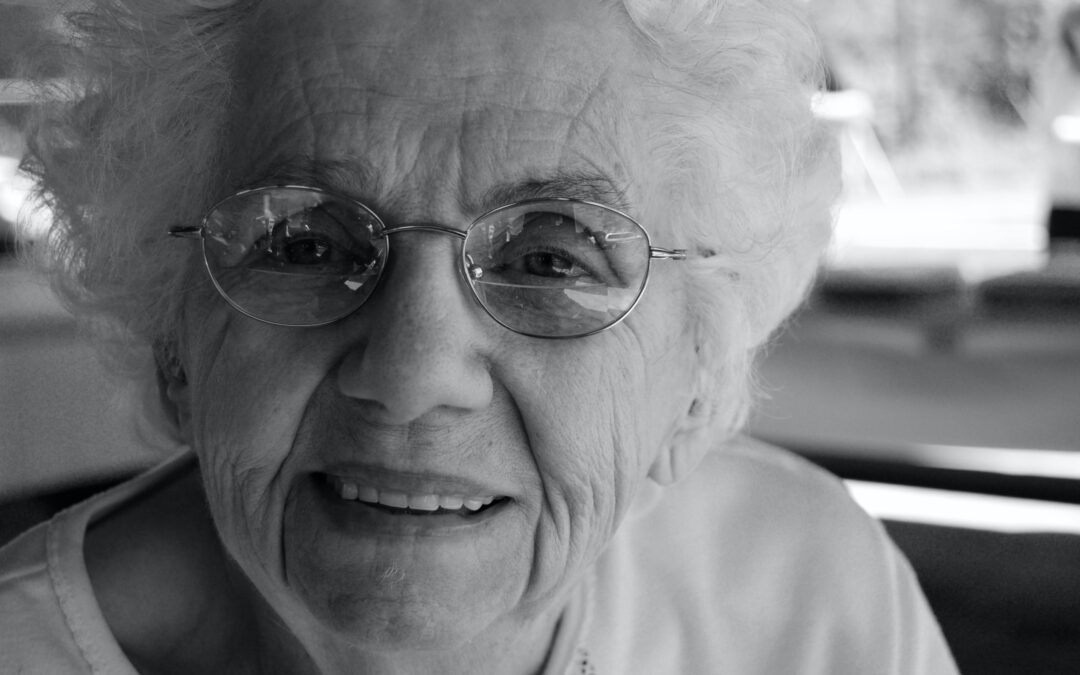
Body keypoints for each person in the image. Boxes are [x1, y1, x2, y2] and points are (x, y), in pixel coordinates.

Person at [0, 0, 958, 672]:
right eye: (301, 241)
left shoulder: (816, 601)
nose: (413, 375)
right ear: (176, 337)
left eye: (551, 260)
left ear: (696, 374)